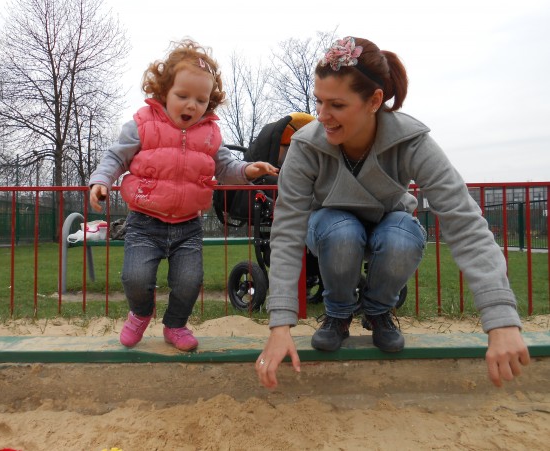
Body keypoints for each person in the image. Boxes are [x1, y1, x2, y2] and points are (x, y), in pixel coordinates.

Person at [255, 36, 530, 388]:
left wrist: (502, 318)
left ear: (374, 101)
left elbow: (464, 221)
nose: (322, 116)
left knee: (403, 235)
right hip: (329, 226)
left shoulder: (411, 141)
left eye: (336, 104)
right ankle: (338, 314)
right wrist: (280, 326)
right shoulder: (306, 145)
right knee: (341, 232)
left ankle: (378, 309)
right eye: (319, 101)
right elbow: (288, 231)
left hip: (389, 222)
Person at [89, 39, 278, 352]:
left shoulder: (210, 135)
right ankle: (140, 313)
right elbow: (115, 157)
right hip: (145, 220)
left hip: (188, 225)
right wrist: (101, 180)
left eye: (201, 100)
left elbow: (226, 167)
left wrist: (248, 171)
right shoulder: (141, 124)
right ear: (164, 92)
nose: (192, 105)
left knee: (190, 281)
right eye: (183, 96)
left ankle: (175, 325)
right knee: (135, 277)